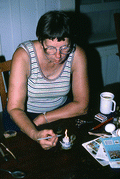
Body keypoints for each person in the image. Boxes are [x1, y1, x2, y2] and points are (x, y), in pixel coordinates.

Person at [7, 11, 89, 150]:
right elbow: (15, 108)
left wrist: (43, 118)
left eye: (64, 47)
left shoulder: (77, 54)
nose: (58, 55)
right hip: (25, 116)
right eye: (51, 48)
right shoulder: (24, 55)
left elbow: (82, 105)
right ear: (40, 41)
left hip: (61, 112)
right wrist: (35, 133)